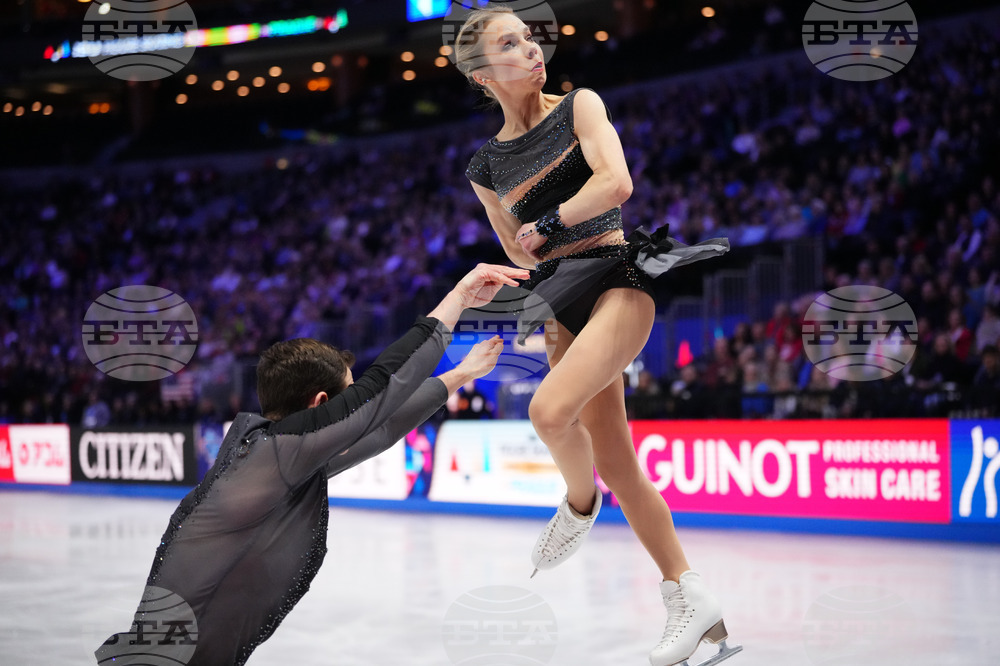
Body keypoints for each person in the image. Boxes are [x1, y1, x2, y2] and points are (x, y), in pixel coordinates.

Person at [454, 7, 738, 666]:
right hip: (560, 300)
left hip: (617, 277)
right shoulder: (485, 167)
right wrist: (511, 269)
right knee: (620, 463)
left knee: (549, 411)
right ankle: (692, 601)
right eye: (509, 43)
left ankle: (579, 506)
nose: (530, 48)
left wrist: (550, 221)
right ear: (480, 72)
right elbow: (521, 252)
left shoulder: (581, 104)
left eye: (529, 36)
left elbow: (617, 182)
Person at [95, 263, 528, 666]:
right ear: (321, 404)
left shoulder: (278, 461)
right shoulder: (279, 453)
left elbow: (378, 431)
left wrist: (459, 375)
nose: (357, 410)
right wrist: (459, 297)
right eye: (348, 396)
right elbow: (383, 393)